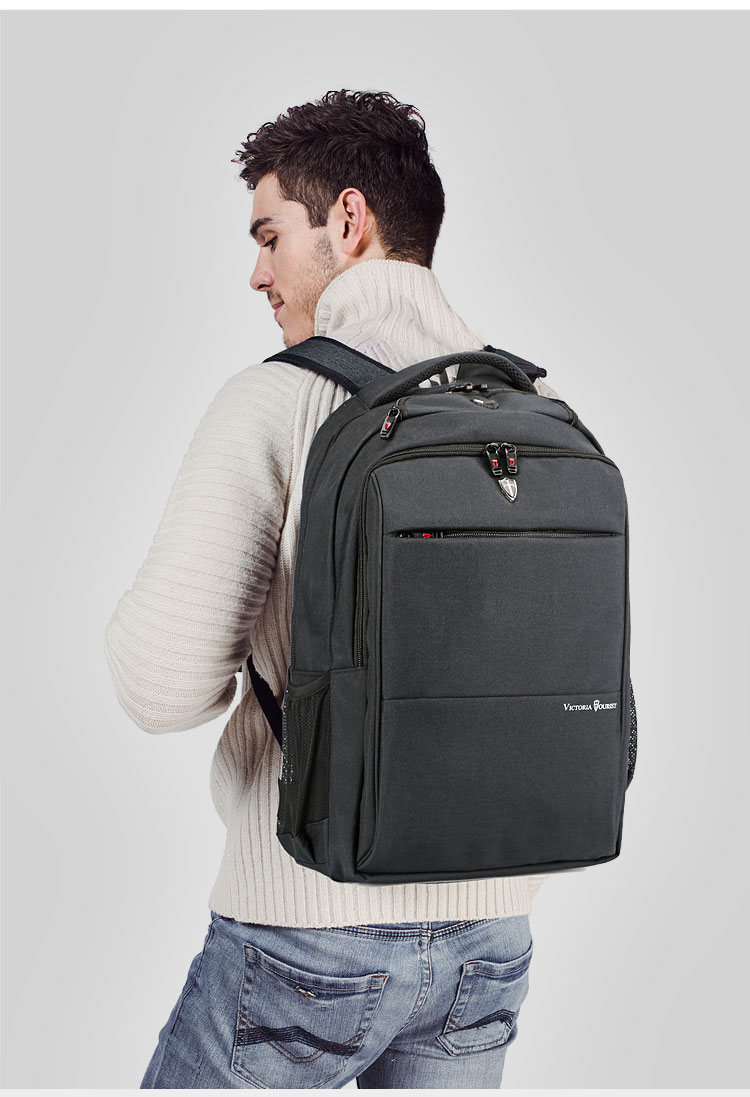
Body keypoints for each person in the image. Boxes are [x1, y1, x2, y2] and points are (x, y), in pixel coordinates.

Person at [104, 88, 561, 1090]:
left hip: (305, 931)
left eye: (270, 236)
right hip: (494, 936)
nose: (256, 273)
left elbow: (160, 686)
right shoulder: (536, 412)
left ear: (348, 220)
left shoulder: (274, 400)